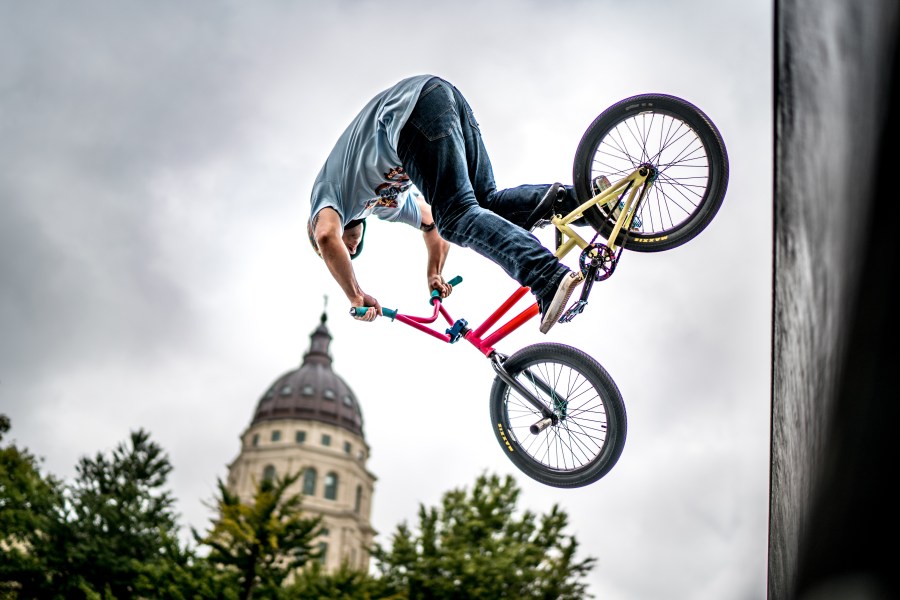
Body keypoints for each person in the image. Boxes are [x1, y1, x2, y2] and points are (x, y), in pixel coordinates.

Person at [307, 74, 585, 334]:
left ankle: (545, 275)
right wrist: (434, 272)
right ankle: (592, 205)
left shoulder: (328, 192)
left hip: (411, 111)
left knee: (456, 216)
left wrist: (355, 295)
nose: (350, 250)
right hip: (441, 99)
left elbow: (325, 236)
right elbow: (431, 224)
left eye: (343, 249)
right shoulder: (384, 206)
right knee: (485, 206)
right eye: (350, 253)